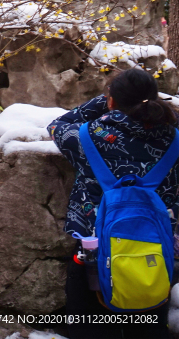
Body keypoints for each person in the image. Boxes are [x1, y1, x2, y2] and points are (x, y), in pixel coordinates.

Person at [48, 67, 179, 339]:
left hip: (94, 253)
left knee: (88, 327)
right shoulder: (175, 138)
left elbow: (56, 125)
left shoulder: (88, 137)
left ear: (111, 101)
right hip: (157, 253)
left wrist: (102, 100)